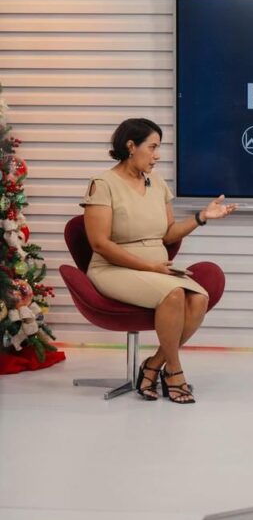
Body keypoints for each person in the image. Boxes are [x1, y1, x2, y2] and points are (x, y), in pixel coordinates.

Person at [80, 117, 237, 404]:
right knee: (174, 293)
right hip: (114, 268)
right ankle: (173, 371)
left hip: (156, 269)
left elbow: (168, 234)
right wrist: (150, 267)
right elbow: (99, 243)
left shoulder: (157, 183)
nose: (157, 155)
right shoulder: (103, 184)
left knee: (198, 298)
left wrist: (202, 217)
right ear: (131, 146)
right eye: (152, 147)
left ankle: (152, 365)